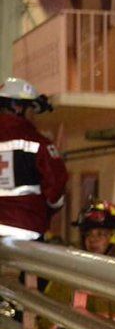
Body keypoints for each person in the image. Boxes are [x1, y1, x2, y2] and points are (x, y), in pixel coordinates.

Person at [0, 77, 66, 238]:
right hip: (26, 228)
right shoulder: (39, 143)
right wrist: (47, 211)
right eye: (31, 109)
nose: (34, 116)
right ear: (18, 107)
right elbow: (56, 186)